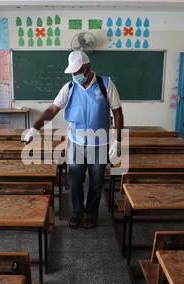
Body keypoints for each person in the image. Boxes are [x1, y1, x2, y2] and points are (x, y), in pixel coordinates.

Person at [23, 50, 124, 229]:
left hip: (99, 143)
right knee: (75, 180)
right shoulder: (69, 88)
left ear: (88, 68)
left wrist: (118, 140)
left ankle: (91, 214)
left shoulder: (105, 84)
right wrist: (34, 128)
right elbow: (52, 110)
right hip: (76, 143)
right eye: (73, 72)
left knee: (96, 181)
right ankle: (77, 213)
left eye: (77, 71)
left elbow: (117, 112)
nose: (74, 75)